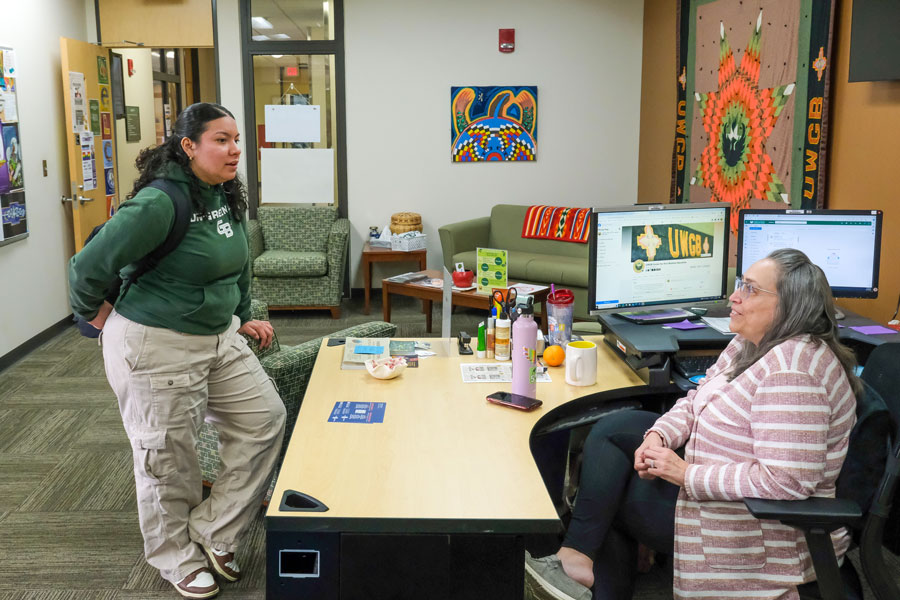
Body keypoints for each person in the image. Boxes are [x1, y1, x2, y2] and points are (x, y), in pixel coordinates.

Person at [525, 248, 860, 600]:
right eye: (739, 284)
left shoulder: (793, 373)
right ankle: (578, 560)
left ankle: (580, 565)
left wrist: (685, 474)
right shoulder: (750, 343)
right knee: (612, 432)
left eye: (750, 289)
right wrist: (660, 435)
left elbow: (786, 482)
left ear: (790, 306)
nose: (734, 296)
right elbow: (697, 398)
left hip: (752, 528)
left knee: (608, 490)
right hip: (722, 495)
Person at [69, 103, 286, 599]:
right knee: (168, 458)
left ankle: (213, 530)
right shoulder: (160, 202)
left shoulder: (224, 194)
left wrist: (244, 311)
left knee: (264, 419)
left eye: (236, 139)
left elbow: (239, 264)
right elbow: (86, 269)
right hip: (156, 342)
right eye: (220, 140)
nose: (234, 150)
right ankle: (174, 554)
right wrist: (104, 322)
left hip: (217, 335)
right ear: (188, 146)